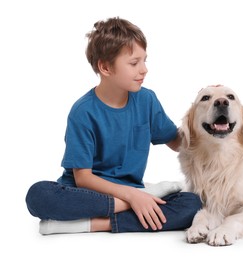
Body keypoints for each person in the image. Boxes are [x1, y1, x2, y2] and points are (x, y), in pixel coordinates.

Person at [25, 17, 202, 235]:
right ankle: (144, 197)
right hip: (89, 194)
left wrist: (207, 116)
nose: (144, 69)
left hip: (130, 192)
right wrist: (132, 196)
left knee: (192, 204)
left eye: (145, 60)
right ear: (106, 67)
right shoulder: (83, 112)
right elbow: (83, 178)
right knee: (38, 195)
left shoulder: (147, 100)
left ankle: (93, 224)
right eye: (134, 63)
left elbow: (177, 142)